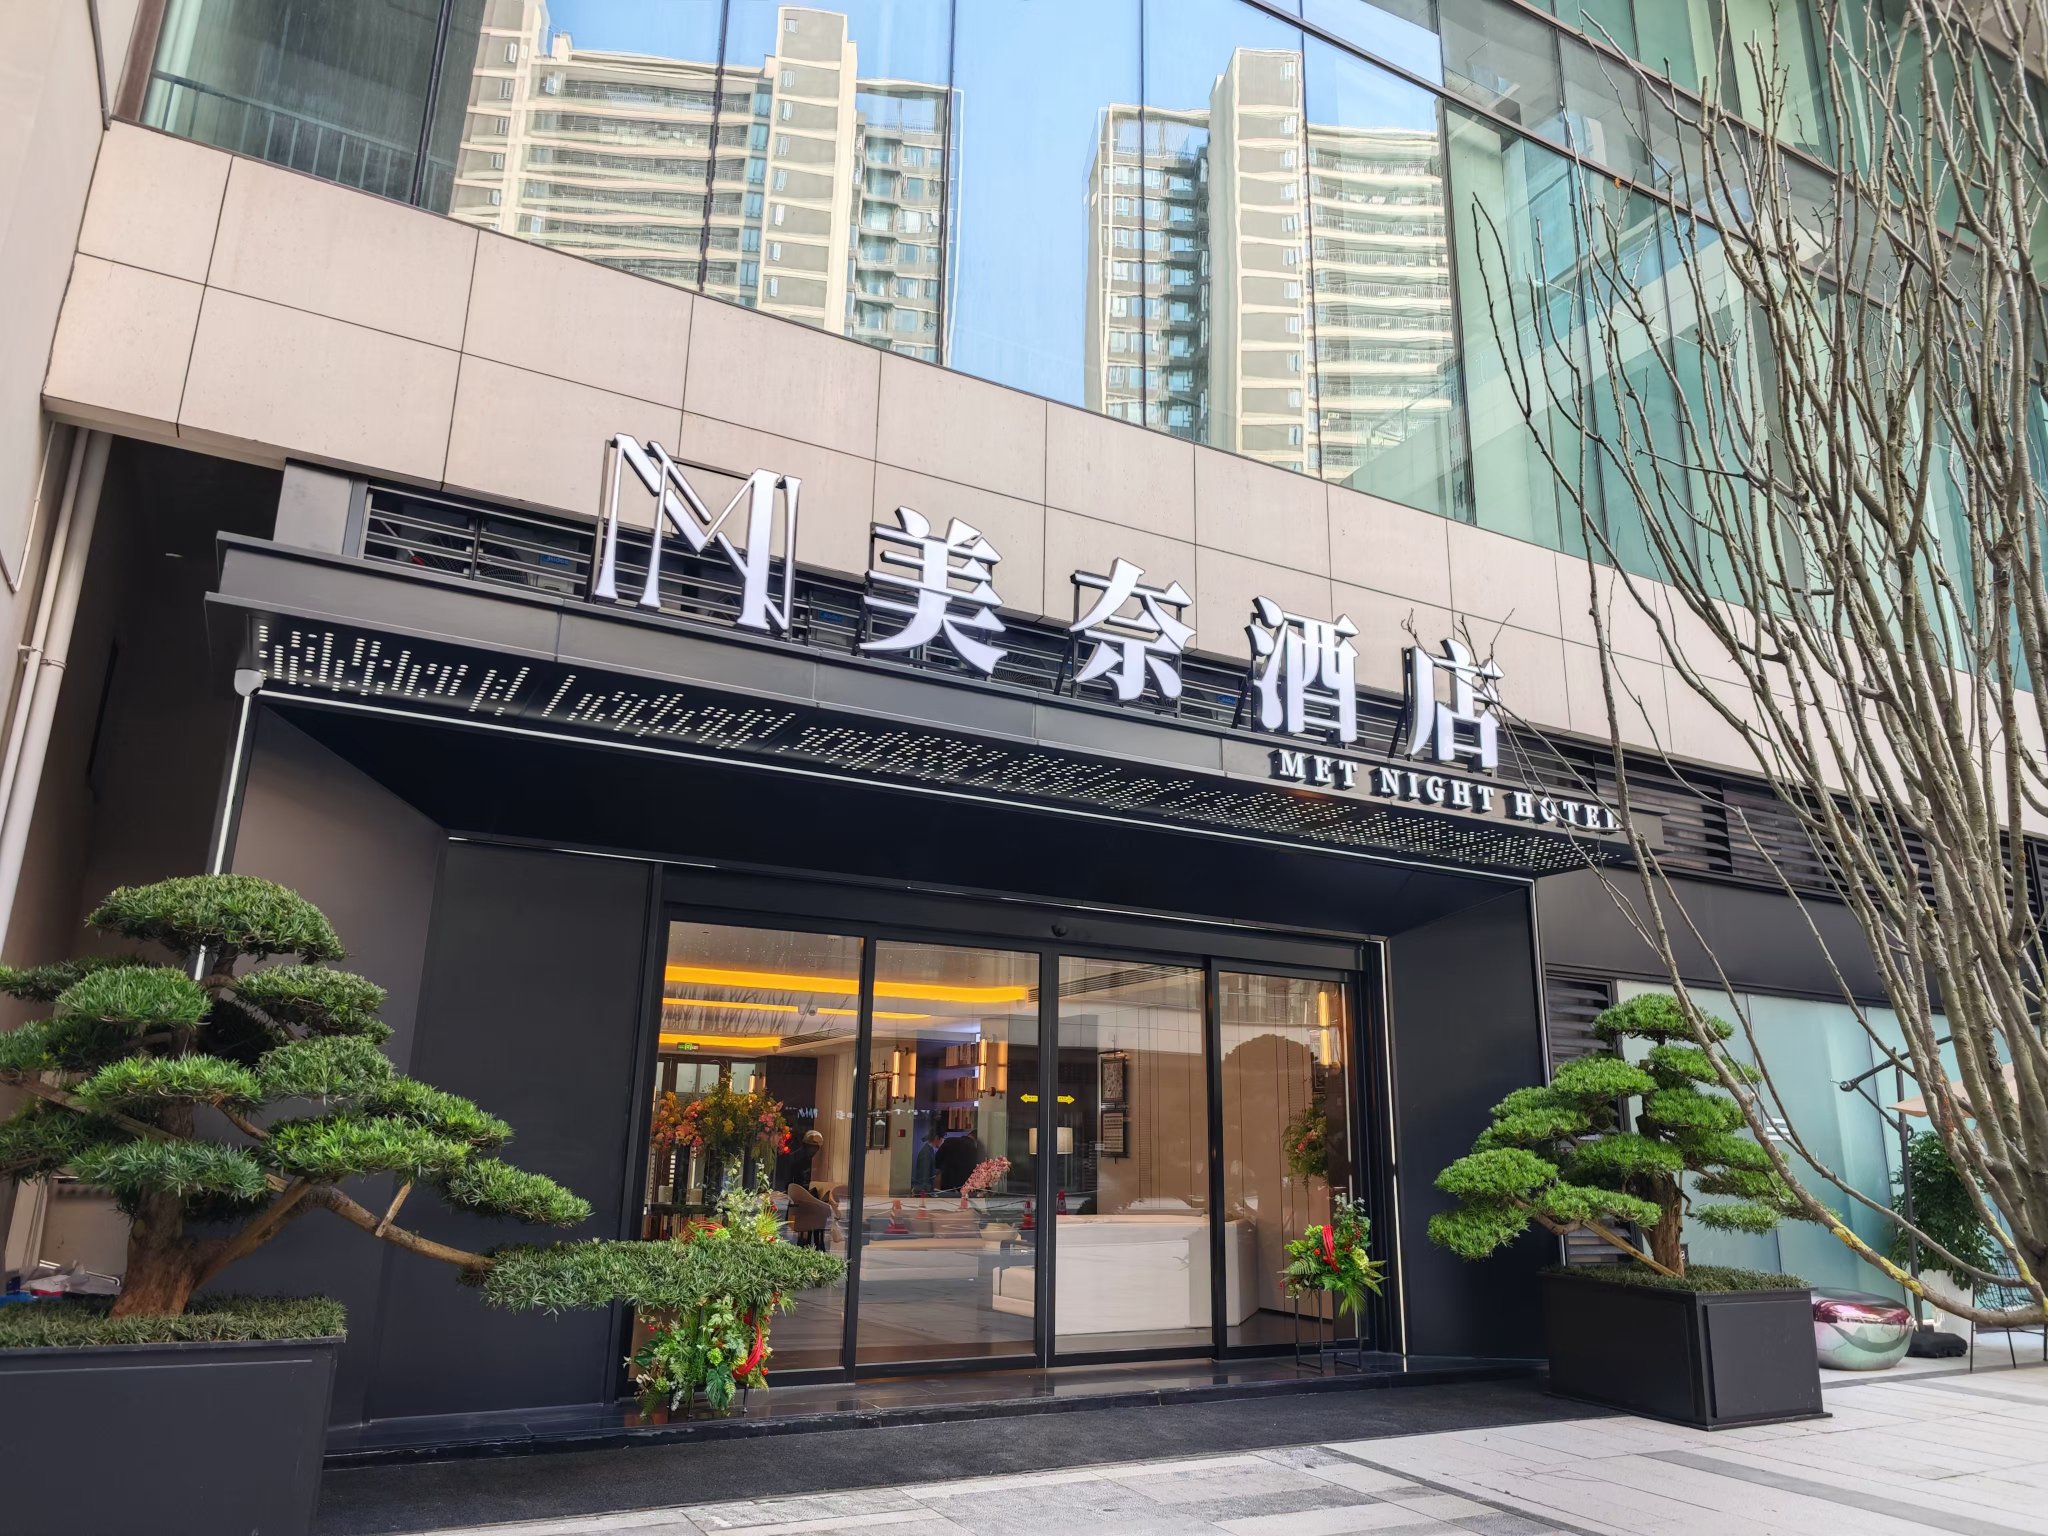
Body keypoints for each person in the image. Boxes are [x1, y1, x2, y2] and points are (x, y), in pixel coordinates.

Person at [911, 1126, 945, 1194]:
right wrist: (929, 1191)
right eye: (942, 1140)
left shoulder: (930, 1150)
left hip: (927, 1189)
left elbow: (929, 1170)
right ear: (936, 1138)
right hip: (924, 1191)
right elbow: (924, 1177)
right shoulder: (926, 1153)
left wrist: (938, 1171)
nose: (942, 1142)